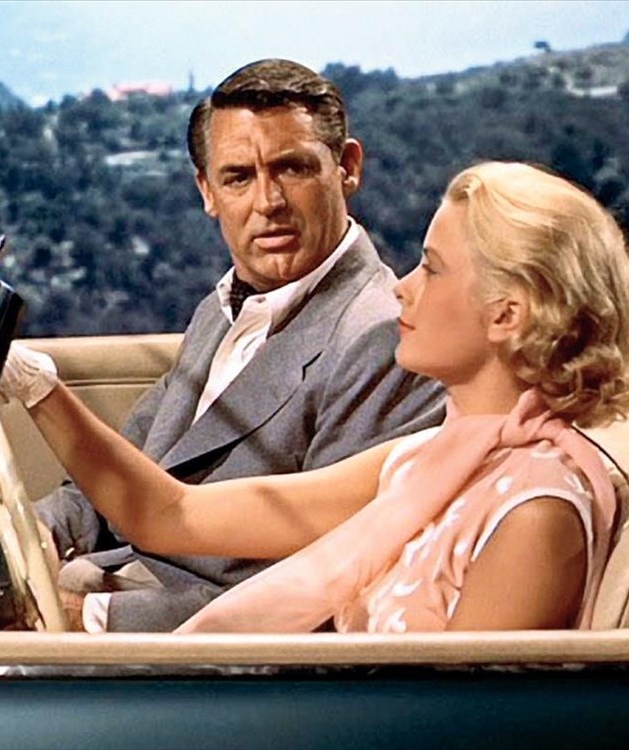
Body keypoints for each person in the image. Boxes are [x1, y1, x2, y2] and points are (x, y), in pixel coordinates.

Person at [0, 160, 629, 633]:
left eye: (431, 268)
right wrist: (38, 388)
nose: (402, 287)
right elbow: (171, 515)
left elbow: (457, 724)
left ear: (506, 314)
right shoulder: (430, 459)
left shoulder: (535, 514)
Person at [24, 58, 445, 631]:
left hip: (195, 647)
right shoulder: (223, 307)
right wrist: (34, 534)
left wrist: (88, 618)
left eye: (292, 168)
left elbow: (323, 589)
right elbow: (121, 476)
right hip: (115, 588)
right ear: (207, 191)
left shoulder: (384, 339)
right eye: (239, 177)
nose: (268, 202)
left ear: (347, 168)